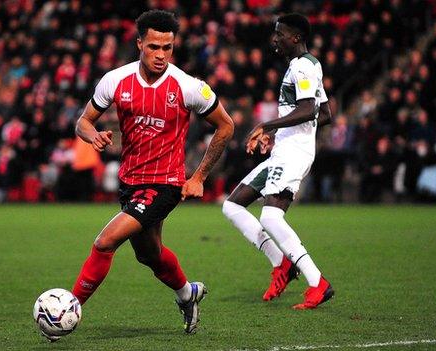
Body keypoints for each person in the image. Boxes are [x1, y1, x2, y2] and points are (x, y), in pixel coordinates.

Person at [69, 9, 234, 337]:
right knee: (149, 254)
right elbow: (82, 122)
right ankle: (187, 293)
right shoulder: (115, 81)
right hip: (130, 182)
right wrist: (94, 135)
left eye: (168, 48)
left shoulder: (188, 87)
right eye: (154, 47)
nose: (161, 55)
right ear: (139, 43)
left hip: (166, 183)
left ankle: (68, 308)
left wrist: (199, 176)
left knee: (105, 242)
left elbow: (226, 126)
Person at [222, 13, 334, 309]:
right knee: (232, 206)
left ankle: (317, 282)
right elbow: (325, 115)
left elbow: (309, 109)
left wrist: (268, 126)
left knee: (271, 217)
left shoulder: (304, 68)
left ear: (295, 37)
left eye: (280, 34)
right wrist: (282, 133)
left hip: (294, 153)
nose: (275, 39)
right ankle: (281, 263)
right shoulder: (303, 66)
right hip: (285, 149)